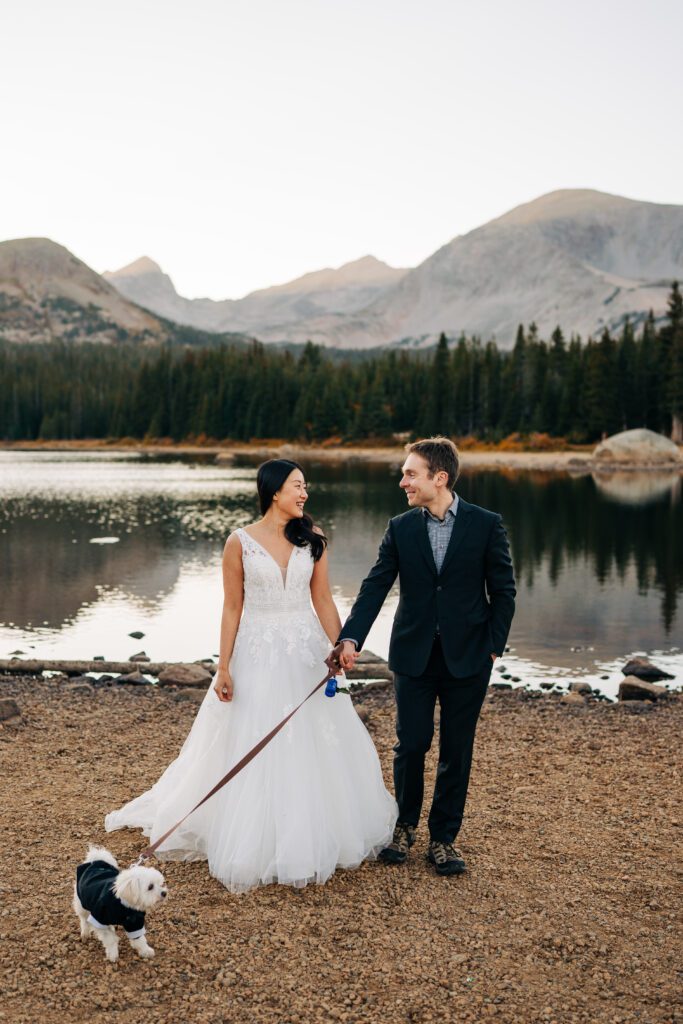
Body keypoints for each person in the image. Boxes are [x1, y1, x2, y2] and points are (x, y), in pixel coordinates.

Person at [105, 459, 397, 893]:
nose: (305, 493)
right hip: (256, 652)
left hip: (305, 652)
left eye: (306, 486)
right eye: (298, 485)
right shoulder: (238, 542)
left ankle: (313, 831)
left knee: (315, 736)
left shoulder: (313, 540)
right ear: (274, 491)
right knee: (252, 736)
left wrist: (341, 643)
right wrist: (223, 665)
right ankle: (252, 836)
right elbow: (232, 607)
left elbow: (321, 598)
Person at [336, 437, 515, 876]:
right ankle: (404, 827)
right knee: (411, 743)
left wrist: (492, 647)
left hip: (468, 658)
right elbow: (376, 585)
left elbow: (504, 591)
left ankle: (443, 839)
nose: (403, 482)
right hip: (412, 656)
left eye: (410, 474)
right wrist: (351, 638)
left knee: (458, 748)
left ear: (440, 477)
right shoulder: (401, 528)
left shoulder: (486, 524)